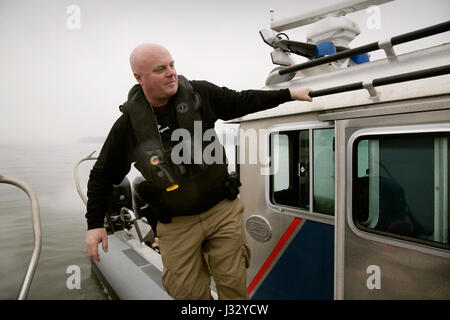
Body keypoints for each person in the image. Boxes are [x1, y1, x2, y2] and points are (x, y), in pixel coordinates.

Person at [85, 43, 312, 300]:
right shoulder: (128, 126)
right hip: (177, 224)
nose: (171, 72)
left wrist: (289, 94)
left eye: (172, 65)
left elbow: (242, 100)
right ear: (139, 78)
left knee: (233, 283)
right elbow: (101, 175)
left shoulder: (199, 94)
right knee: (187, 293)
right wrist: (94, 225)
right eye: (161, 69)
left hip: (221, 211)